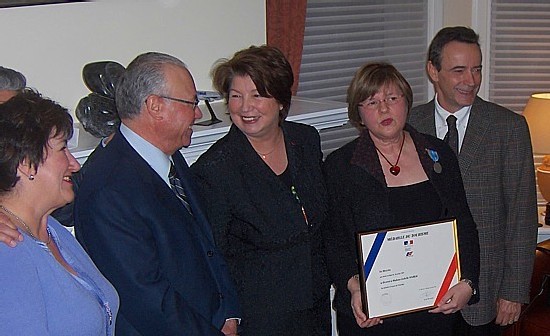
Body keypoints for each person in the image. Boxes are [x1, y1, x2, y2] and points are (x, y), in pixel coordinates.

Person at [74, 52, 240, 335]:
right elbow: (147, 299)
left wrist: (230, 314)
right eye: (191, 103)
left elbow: (208, 247)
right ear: (155, 106)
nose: (198, 113)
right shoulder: (109, 191)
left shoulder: (171, 158)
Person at [323, 62, 480, 336]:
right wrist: (353, 286)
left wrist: (468, 282)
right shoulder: (340, 166)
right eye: (372, 102)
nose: (384, 109)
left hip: (435, 311)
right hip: (373, 316)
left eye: (392, 98)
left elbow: (463, 223)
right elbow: (332, 238)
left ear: (406, 102)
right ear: (358, 113)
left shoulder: (438, 154)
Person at [190, 45, 331, 335]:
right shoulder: (215, 169)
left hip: (316, 302)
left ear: (280, 100)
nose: (245, 107)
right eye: (236, 96)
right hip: (260, 314)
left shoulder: (306, 140)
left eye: (257, 95)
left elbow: (320, 220)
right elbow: (213, 254)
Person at [407, 26, 538, 335]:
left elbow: (522, 215)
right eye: (459, 70)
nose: (471, 80)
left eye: (477, 69)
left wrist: (514, 291)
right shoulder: (410, 125)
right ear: (433, 71)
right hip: (422, 291)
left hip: (487, 294)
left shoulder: (508, 128)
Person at [0, 89, 119, 335]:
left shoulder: (52, 230)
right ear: (25, 162)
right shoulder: (8, 251)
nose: (74, 164)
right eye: (62, 148)